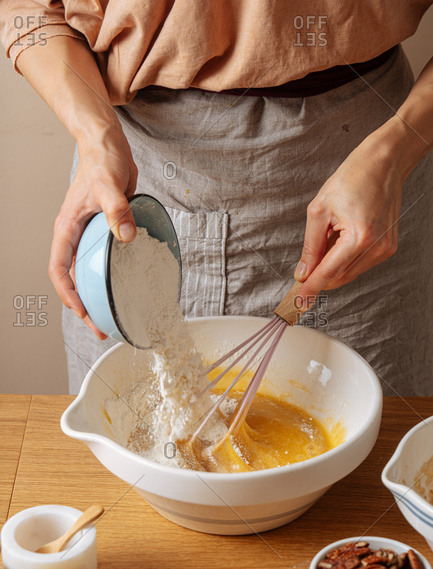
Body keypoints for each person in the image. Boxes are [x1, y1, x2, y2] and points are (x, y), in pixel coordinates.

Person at [1, 1, 433, 395]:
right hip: (133, 173)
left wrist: (395, 152)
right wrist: (95, 136)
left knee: (364, 462)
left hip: (360, 189)